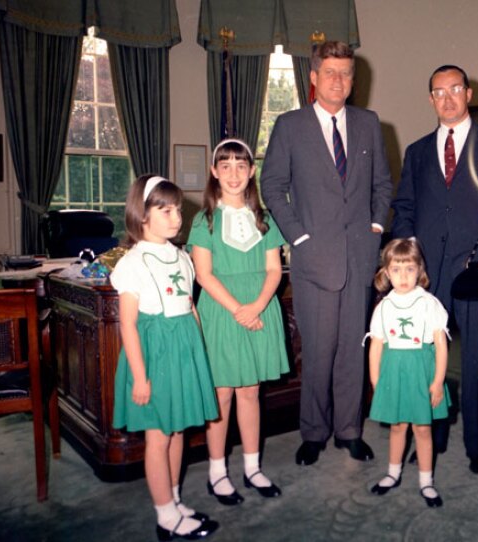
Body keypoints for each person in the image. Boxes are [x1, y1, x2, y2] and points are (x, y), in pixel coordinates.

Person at [261, 40, 393, 466]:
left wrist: (374, 228)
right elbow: (271, 186)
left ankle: (349, 430)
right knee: (317, 351)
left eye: (346, 74)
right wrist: (298, 237)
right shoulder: (290, 125)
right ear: (314, 78)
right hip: (313, 258)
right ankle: (314, 432)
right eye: (330, 73)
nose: (339, 81)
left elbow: (383, 185)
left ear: (354, 81)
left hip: (359, 257)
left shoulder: (370, 123)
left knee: (353, 348)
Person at [391, 65, 478, 475]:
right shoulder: (418, 151)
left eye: (454, 89)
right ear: (430, 99)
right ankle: (431, 436)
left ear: (468, 92)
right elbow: (404, 208)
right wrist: (408, 258)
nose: (447, 98)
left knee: (477, 359)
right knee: (426, 359)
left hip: (477, 267)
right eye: (438, 92)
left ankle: (477, 447)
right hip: (427, 273)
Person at [110, 174, 219, 540]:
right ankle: (164, 516)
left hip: (183, 351)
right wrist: (140, 377)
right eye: (166, 210)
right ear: (142, 215)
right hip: (154, 355)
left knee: (177, 432)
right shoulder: (132, 263)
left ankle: (173, 500)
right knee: (158, 437)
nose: (176, 217)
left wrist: (199, 355)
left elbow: (191, 307)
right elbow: (128, 325)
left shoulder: (182, 256)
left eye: (177, 210)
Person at [187, 139, 289, 506]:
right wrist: (238, 310)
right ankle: (217, 473)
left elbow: (275, 269)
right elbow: (203, 275)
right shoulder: (205, 220)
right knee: (223, 395)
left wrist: (258, 305)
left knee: (250, 392)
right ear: (214, 172)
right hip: (222, 311)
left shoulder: (264, 219)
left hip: (259, 308)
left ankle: (252, 467)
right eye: (225, 166)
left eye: (241, 166)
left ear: (251, 172)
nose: (233, 174)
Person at [365, 239, 451, 508]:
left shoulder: (429, 304)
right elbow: (376, 346)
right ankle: (393, 473)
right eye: (397, 270)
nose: (403, 277)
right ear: (386, 273)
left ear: (419, 270)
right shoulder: (384, 307)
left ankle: (426, 481)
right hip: (394, 372)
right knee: (397, 426)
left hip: (421, 371)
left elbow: (440, 345)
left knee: (423, 428)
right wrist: (377, 382)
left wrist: (437, 381)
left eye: (410, 269)